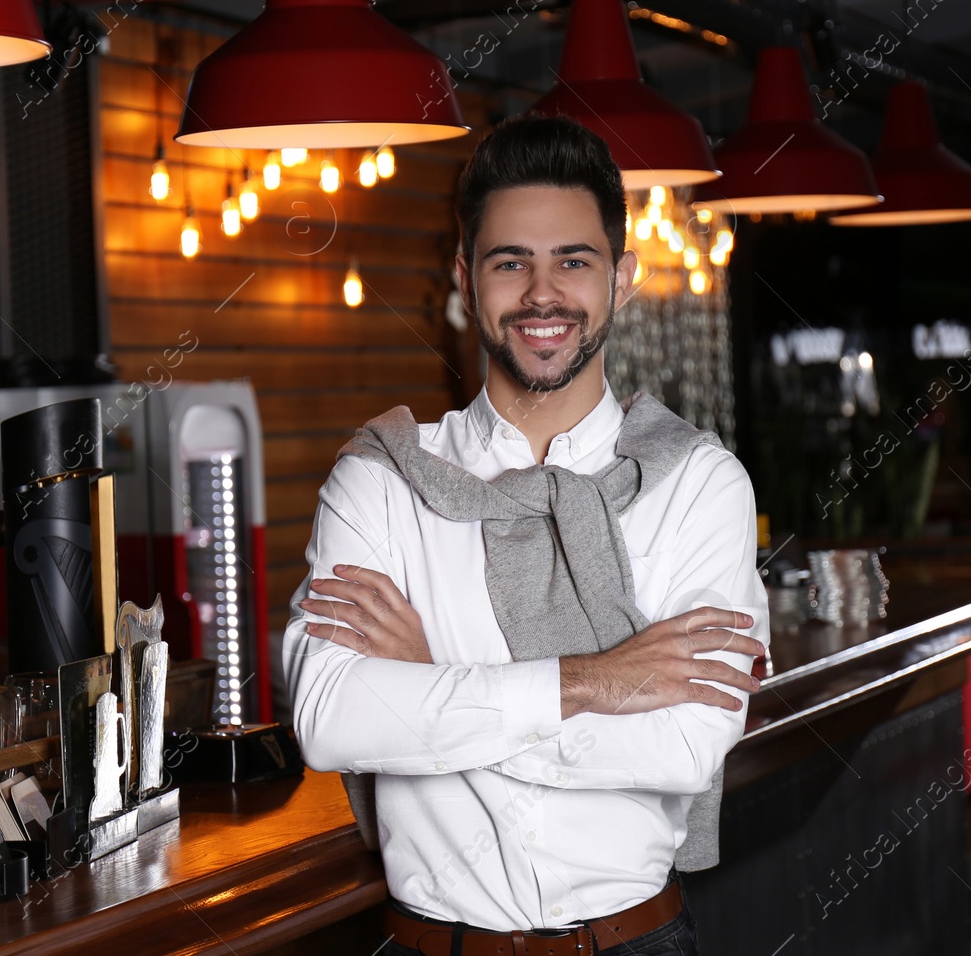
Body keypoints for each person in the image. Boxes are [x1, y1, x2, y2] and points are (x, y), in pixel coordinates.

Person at [282, 115, 769, 955]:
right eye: (512, 263)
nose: (542, 294)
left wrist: (430, 686)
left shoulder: (699, 483)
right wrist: (594, 680)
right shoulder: (382, 478)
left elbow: (686, 746)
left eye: (572, 261)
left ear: (620, 280)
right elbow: (330, 720)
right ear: (467, 279)